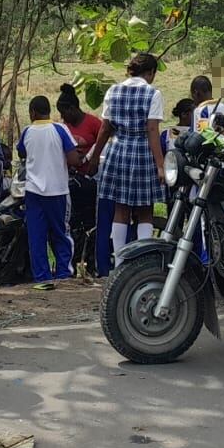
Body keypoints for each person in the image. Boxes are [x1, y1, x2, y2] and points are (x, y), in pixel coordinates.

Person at [86, 54, 168, 269]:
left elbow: (105, 129)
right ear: (150, 73)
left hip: (118, 150)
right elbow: (152, 130)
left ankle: (120, 261)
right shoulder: (153, 93)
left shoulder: (113, 91)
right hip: (142, 152)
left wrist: (95, 158)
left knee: (120, 210)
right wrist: (160, 165)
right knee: (145, 210)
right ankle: (143, 262)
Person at [17, 96, 80, 284]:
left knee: (36, 236)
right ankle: (63, 274)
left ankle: (41, 277)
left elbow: (21, 151)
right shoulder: (60, 129)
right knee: (61, 233)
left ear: (32, 113)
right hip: (57, 190)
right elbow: (73, 159)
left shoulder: (27, 131)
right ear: (49, 111)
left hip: (33, 192)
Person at [58, 83, 108, 274]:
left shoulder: (94, 123)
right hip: (72, 181)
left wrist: (90, 158)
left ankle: (92, 262)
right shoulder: (64, 127)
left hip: (92, 180)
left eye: (64, 112)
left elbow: (103, 142)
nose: (63, 118)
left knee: (91, 222)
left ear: (72, 108)